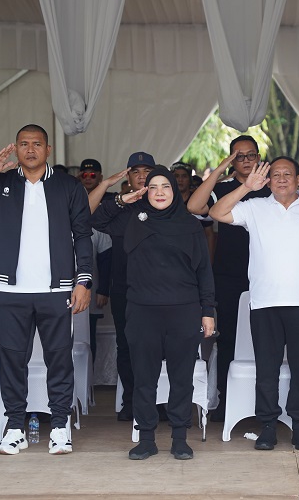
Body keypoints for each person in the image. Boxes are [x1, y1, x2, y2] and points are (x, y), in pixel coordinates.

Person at [0, 124, 93, 455]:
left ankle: (60, 427)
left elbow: (83, 235)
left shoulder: (68, 186)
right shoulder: (0, 183)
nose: (30, 149)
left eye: (37, 144)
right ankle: (14, 427)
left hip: (57, 289)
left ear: (48, 150)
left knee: (60, 360)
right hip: (11, 291)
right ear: (14, 148)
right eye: (24, 144)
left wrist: (83, 280)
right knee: (12, 361)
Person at [210, 156, 299, 451]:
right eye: (275, 174)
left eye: (287, 174)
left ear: (298, 179)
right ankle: (268, 425)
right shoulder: (254, 207)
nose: (281, 179)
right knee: (266, 368)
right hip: (265, 302)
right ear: (267, 180)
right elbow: (217, 212)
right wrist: (246, 188)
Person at [99, 168, 215, 460]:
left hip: (184, 311)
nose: (160, 192)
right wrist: (123, 200)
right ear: (144, 191)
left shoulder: (190, 225)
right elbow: (94, 219)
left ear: (175, 191)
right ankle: (146, 438)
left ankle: (179, 438)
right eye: (153, 187)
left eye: (166, 186)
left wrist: (208, 311)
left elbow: (204, 272)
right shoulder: (132, 220)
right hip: (142, 311)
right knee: (144, 378)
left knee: (181, 378)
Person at [187, 136, 272, 422]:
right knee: (230, 343)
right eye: (239, 156)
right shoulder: (222, 188)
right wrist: (221, 168)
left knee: (268, 341)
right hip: (228, 275)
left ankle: (266, 405)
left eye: (251, 155)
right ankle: (225, 405)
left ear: (259, 157)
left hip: (268, 275)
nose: (246, 161)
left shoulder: (272, 185)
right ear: (232, 159)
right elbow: (194, 206)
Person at [90, 152, 156, 422]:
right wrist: (113, 195)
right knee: (127, 346)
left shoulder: (165, 204)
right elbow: (89, 218)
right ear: (128, 176)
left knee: (157, 347)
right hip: (125, 290)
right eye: (135, 171)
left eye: (147, 170)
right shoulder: (119, 208)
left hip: (159, 291)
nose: (141, 175)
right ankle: (131, 402)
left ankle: (158, 402)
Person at [78, 159, 113, 363]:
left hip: (91, 286)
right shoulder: (66, 207)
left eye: (93, 175)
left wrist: (103, 290)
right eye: (85, 175)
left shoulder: (102, 212)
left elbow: (106, 256)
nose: (89, 178)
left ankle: (87, 380)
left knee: (89, 335)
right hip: (62, 289)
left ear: (100, 177)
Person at [172, 161, 215, 257]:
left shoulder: (198, 202)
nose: (180, 180)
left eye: (184, 176)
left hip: (196, 254)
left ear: (190, 179)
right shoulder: (166, 201)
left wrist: (210, 261)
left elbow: (209, 234)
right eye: (176, 176)